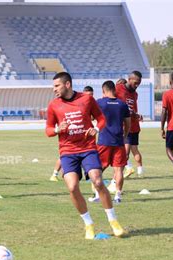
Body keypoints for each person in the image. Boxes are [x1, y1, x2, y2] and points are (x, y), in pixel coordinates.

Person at [45, 72, 125, 240]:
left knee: (97, 180)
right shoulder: (54, 105)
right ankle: (88, 224)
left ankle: (113, 221)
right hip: (67, 151)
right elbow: (48, 130)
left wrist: (96, 128)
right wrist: (59, 129)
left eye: (57, 86)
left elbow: (101, 119)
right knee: (72, 187)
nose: (54, 89)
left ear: (67, 84)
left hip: (88, 148)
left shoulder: (87, 100)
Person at [88, 80, 131, 204]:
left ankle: (97, 194)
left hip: (104, 141)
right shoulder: (122, 104)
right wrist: (125, 135)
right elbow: (128, 123)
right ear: (114, 90)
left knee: (98, 169)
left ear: (103, 90)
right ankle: (118, 196)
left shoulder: (100, 102)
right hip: (118, 141)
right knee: (118, 170)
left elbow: (90, 117)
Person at [116, 71, 144, 178]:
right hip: (121, 126)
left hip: (131, 127)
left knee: (126, 152)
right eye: (135, 83)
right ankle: (131, 170)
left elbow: (132, 109)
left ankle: (120, 175)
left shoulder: (135, 94)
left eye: (139, 83)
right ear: (129, 79)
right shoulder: (118, 88)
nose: (137, 85)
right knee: (126, 151)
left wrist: (136, 115)